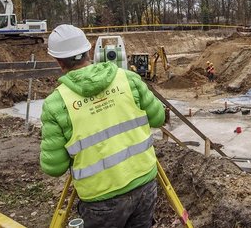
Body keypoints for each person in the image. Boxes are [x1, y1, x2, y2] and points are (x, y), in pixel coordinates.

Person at [39, 24, 166, 228]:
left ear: (58, 60)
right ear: (88, 50)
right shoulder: (129, 79)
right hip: (145, 185)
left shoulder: (56, 104)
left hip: (101, 199)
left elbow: (54, 167)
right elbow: (158, 118)